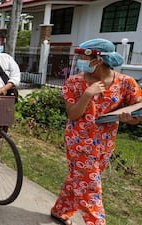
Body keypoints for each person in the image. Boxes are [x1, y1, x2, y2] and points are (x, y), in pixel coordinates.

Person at [50, 38, 142, 225]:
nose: (80, 61)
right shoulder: (74, 82)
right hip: (78, 142)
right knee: (90, 188)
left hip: (105, 144)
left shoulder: (126, 83)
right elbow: (73, 114)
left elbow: (137, 114)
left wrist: (130, 119)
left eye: (83, 56)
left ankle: (60, 211)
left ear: (98, 60)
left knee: (79, 178)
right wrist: (87, 94)